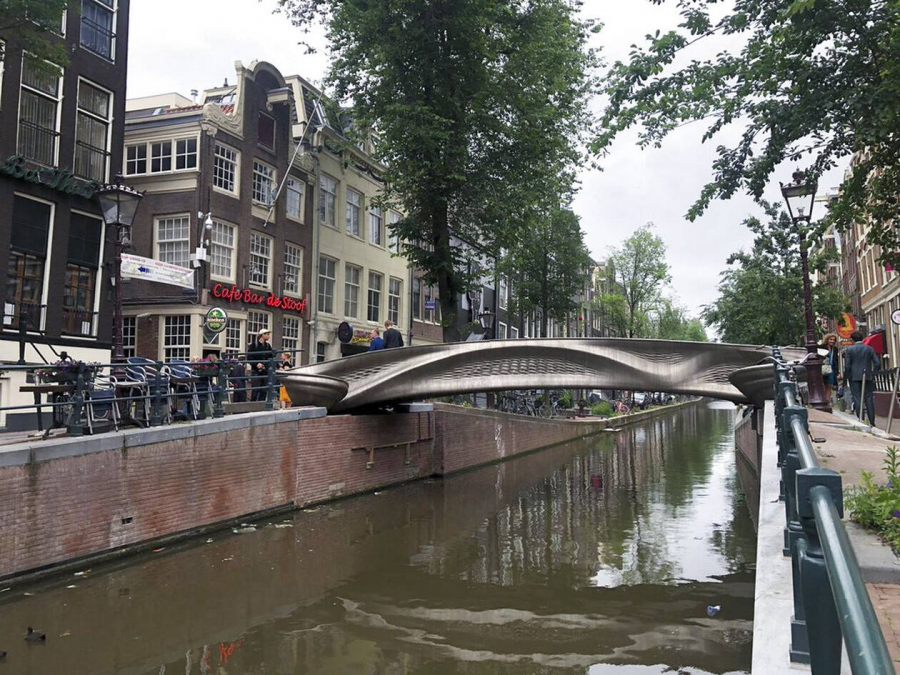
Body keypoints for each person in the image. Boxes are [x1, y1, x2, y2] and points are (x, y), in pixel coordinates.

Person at [843, 330, 879, 425]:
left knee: (857, 397)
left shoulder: (849, 350)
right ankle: (872, 421)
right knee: (869, 398)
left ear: (852, 340)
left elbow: (847, 366)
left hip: (854, 377)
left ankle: (861, 420)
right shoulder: (869, 349)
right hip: (868, 376)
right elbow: (877, 363)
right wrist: (872, 373)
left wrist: (848, 377)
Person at [247, 328, 276, 402]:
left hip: (265, 371)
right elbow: (249, 357)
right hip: (256, 371)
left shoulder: (268, 346)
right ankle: (253, 405)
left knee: (264, 390)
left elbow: (271, 357)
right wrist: (256, 364)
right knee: (255, 390)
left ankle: (262, 405)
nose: (269, 336)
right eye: (267, 334)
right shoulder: (253, 345)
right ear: (262, 335)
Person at [818, 332, 839, 402]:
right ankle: (823, 400)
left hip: (832, 369)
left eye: (834, 340)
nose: (832, 341)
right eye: (831, 339)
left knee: (830, 385)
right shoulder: (821, 347)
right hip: (823, 368)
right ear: (827, 339)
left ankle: (828, 400)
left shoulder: (835, 349)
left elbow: (836, 361)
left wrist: (837, 372)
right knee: (823, 384)